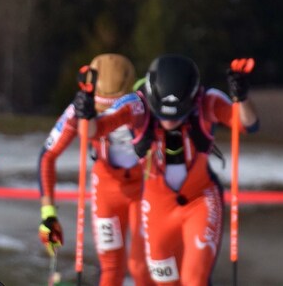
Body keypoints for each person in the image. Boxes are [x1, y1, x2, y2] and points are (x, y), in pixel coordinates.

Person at [73, 54, 258, 285]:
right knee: (165, 282)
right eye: (162, 115)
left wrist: (241, 97)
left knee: (194, 279)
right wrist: (86, 111)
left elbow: (247, 124)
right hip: (157, 207)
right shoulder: (136, 106)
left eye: (179, 114)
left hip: (200, 200)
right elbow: (92, 131)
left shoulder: (207, 101)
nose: (170, 122)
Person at [38, 54, 154, 285]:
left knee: (143, 266)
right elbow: (47, 156)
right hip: (107, 187)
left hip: (145, 186)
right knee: (110, 267)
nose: (100, 111)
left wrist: (89, 120)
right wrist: (48, 213)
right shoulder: (81, 108)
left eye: (104, 107)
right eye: (97, 106)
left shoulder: (135, 104)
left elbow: (104, 125)